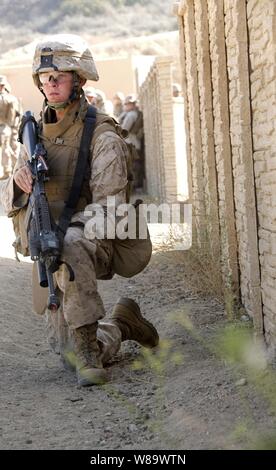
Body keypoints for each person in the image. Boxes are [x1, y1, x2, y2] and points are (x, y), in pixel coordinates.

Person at [0, 34, 159, 387]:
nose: (51, 83)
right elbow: (6, 201)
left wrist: (66, 233)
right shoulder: (34, 134)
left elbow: (111, 210)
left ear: (80, 80)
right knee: (65, 355)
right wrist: (17, 182)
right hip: (50, 249)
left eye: (60, 76)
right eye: (45, 78)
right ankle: (122, 323)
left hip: (94, 242)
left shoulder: (102, 137)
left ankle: (89, 347)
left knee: (81, 353)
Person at [120, 94, 145, 190]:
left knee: (133, 165)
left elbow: (124, 129)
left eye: (129, 104)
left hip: (131, 143)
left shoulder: (131, 115)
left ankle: (135, 185)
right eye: (127, 104)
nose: (127, 105)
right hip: (133, 143)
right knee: (133, 165)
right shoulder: (132, 113)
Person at [0, 75, 18, 179]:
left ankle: (8, 171)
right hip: (7, 127)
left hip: (5, 127)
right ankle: (9, 171)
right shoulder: (11, 99)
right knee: (8, 149)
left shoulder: (7, 99)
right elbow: (13, 115)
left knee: (7, 149)